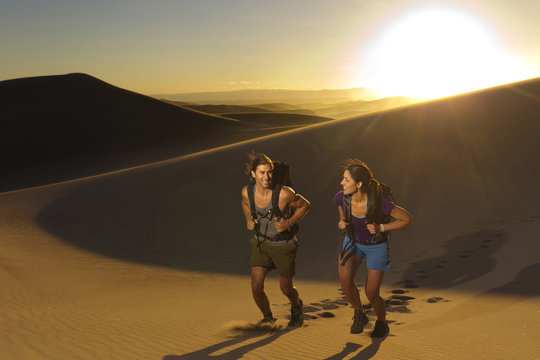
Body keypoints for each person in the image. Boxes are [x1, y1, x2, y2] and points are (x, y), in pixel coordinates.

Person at [334, 158, 414, 337]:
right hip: (353, 242)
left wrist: (382, 228)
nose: (342, 183)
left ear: (359, 183)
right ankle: (359, 313)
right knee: (345, 279)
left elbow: (407, 219)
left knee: (371, 293)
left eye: (346, 180)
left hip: (376, 246)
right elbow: (343, 216)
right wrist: (343, 222)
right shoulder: (341, 198)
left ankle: (382, 322)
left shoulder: (379, 202)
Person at [241, 152, 310, 327]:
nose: (266, 177)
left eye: (269, 172)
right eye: (262, 172)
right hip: (261, 242)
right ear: (253, 174)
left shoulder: (284, 193)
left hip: (284, 245)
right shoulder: (247, 192)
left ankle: (296, 306)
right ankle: (268, 318)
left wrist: (289, 222)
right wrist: (249, 218)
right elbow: (244, 203)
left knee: (286, 288)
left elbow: (304, 205)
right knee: (256, 287)